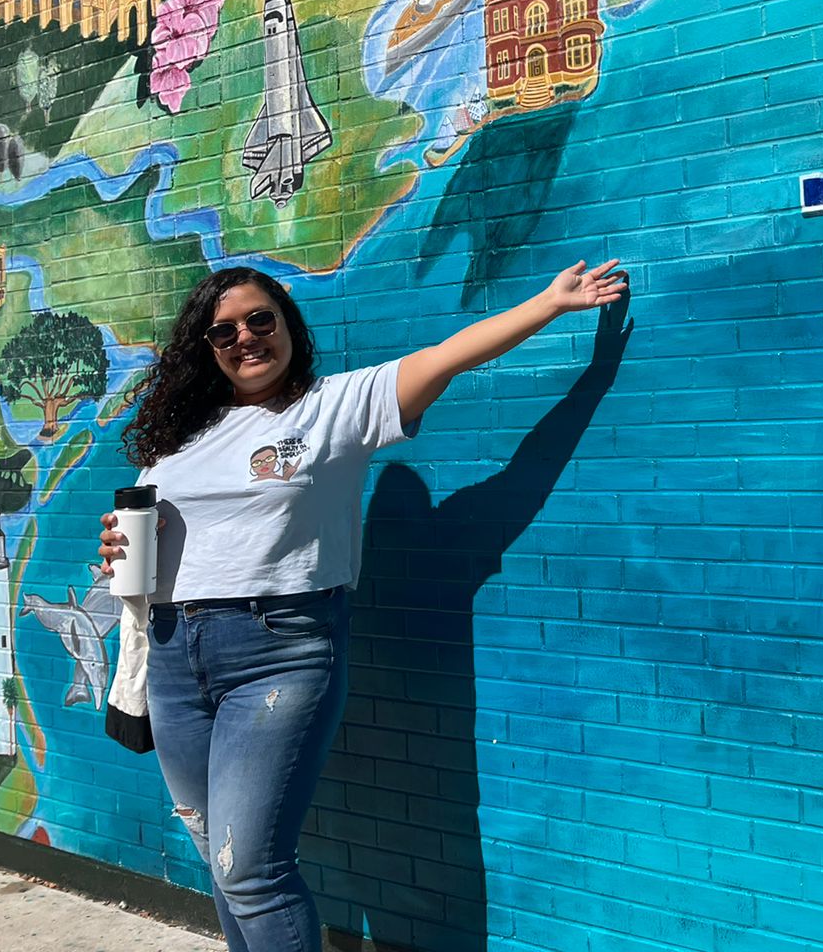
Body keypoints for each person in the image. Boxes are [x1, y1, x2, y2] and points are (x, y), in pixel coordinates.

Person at [96, 260, 626, 952]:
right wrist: (116, 547)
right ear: (208, 348)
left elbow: (450, 357)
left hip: (276, 654)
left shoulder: (334, 407)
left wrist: (551, 304)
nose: (246, 338)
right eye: (224, 330)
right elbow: (155, 546)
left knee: (251, 868)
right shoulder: (180, 440)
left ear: (288, 324)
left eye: (262, 319)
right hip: (172, 658)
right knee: (220, 865)